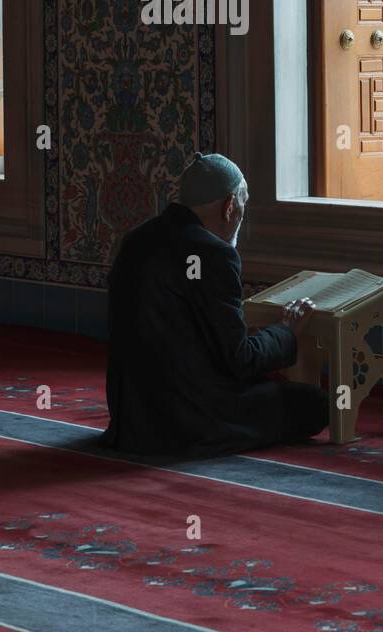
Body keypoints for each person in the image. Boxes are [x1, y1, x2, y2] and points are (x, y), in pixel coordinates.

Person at [100, 152, 329, 458]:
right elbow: (239, 360)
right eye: (242, 209)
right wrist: (285, 332)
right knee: (314, 404)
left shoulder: (135, 240)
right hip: (188, 423)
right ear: (229, 206)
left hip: (130, 422)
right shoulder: (213, 253)